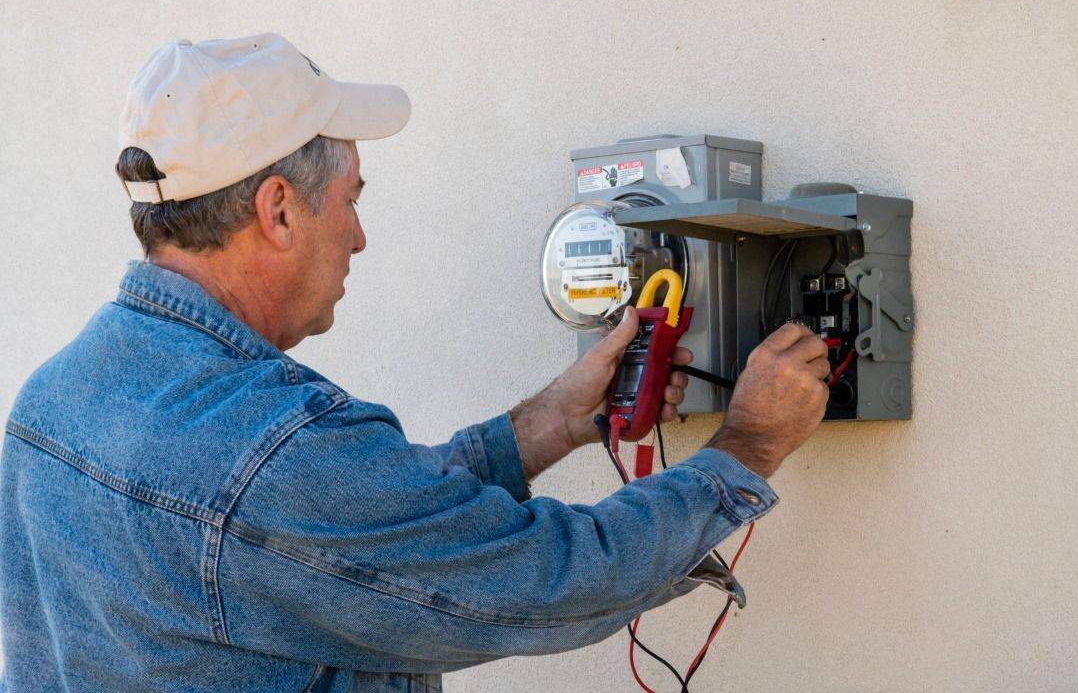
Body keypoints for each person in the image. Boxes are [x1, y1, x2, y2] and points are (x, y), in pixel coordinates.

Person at [0, 34, 830, 692]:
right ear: (279, 211)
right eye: (353, 199)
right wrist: (744, 450)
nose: (359, 235)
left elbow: (341, 530)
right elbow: (551, 579)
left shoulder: (53, 403)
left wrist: (547, 424)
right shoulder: (272, 450)